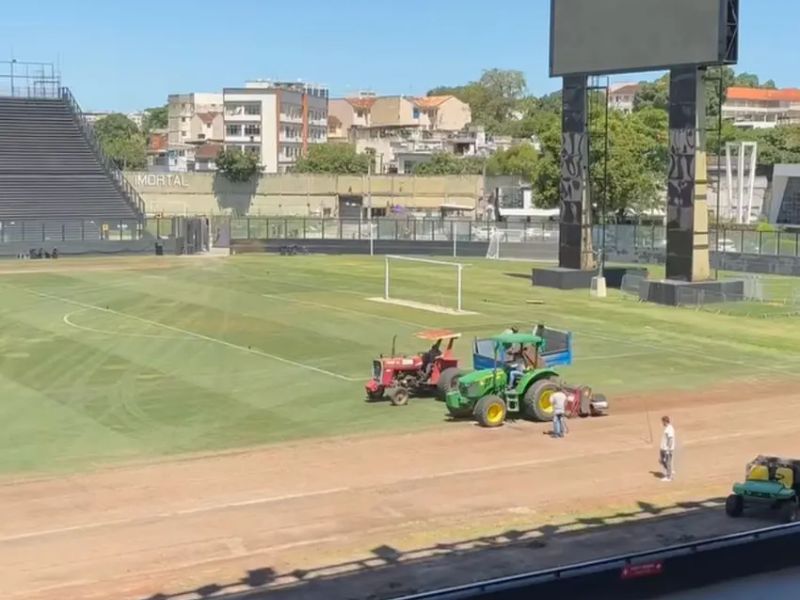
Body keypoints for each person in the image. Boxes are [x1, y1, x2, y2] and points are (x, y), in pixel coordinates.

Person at [660, 416, 676, 481]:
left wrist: (668, 450)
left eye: (663, 422)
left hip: (667, 449)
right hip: (664, 448)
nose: (662, 423)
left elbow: (670, 439)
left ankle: (669, 477)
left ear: (665, 421)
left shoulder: (670, 429)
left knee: (667, 462)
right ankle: (670, 471)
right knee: (663, 461)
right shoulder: (667, 428)